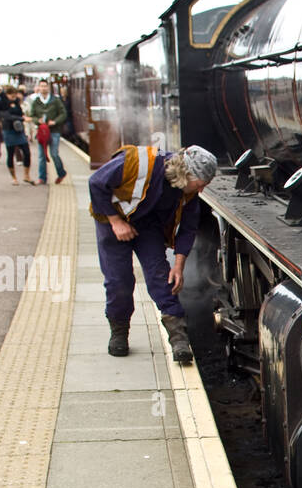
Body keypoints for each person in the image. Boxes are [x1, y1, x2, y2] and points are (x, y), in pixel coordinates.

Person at [88, 143, 218, 362]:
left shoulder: (188, 194)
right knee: (119, 281)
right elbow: (97, 182)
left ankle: (179, 339)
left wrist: (178, 266)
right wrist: (116, 221)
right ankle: (119, 332)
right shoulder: (139, 164)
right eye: (201, 183)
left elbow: (188, 228)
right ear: (187, 174)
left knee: (162, 277)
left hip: (148, 226)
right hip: (113, 223)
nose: (201, 189)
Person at [29, 79, 67, 184]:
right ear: (39, 88)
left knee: (54, 153)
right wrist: (38, 121)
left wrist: (55, 121)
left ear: (48, 87)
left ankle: (61, 173)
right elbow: (32, 116)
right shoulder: (36, 101)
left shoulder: (55, 100)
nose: (43, 88)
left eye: (45, 86)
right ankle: (42, 178)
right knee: (41, 155)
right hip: (42, 131)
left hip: (54, 131)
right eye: (41, 86)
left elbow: (63, 114)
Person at [0, 86, 34, 184]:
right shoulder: (3, 103)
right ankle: (14, 178)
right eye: (11, 95)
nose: (13, 97)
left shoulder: (17, 101)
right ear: (7, 95)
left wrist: (23, 117)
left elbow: (20, 112)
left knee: (26, 152)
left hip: (19, 130)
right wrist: (22, 119)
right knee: (10, 154)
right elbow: (6, 116)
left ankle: (26, 175)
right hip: (9, 130)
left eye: (15, 95)